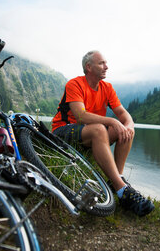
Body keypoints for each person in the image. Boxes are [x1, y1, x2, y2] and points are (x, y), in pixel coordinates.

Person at [52, 51, 154, 217]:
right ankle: (122, 189)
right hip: (63, 130)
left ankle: (117, 182)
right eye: (101, 63)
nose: (106, 66)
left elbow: (123, 113)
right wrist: (112, 121)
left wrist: (129, 125)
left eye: (106, 63)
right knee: (100, 128)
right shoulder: (75, 84)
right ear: (89, 67)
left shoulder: (107, 88)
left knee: (126, 130)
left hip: (89, 133)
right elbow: (80, 116)